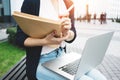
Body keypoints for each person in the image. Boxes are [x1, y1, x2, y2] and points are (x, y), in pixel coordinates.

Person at [16, 0, 107, 80]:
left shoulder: (68, 3)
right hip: (40, 61)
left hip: (62, 56)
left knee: (100, 78)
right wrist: (45, 41)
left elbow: (73, 33)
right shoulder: (32, 2)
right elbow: (20, 38)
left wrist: (67, 34)